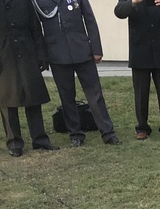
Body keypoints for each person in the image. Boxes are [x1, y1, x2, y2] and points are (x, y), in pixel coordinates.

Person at [0, 0, 59, 157]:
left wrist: (41, 53)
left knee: (33, 94)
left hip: (26, 46)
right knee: (6, 97)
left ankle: (40, 139)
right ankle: (14, 142)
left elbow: (34, 24)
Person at [33, 0, 121, 147]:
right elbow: (37, 29)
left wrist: (96, 49)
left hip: (82, 50)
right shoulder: (38, 1)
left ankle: (108, 133)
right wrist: (43, 56)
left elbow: (89, 19)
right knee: (67, 97)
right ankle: (76, 134)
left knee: (95, 94)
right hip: (57, 54)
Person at [114, 0, 160, 140]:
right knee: (141, 93)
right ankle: (142, 128)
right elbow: (119, 11)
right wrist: (133, 3)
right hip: (140, 51)